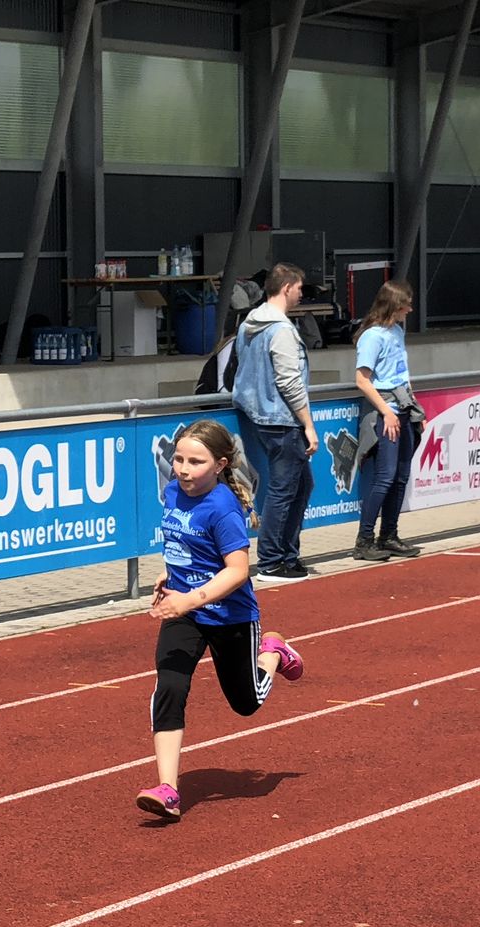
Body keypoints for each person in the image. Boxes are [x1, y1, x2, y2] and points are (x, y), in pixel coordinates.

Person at [135, 419, 304, 823]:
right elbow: (181, 541)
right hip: (185, 613)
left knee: (246, 703)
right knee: (170, 686)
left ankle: (273, 652)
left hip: (230, 616)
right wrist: (170, 572)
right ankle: (168, 789)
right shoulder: (173, 491)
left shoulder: (223, 508)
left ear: (220, 465)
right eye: (178, 459)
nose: (183, 469)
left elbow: (238, 571)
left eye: (195, 462)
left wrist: (190, 597)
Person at [231, 263, 320, 583]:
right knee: (284, 490)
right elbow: (289, 382)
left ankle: (286, 554)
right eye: (299, 288)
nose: (301, 294)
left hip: (258, 414)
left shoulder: (248, 324)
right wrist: (308, 424)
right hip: (281, 419)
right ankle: (272, 560)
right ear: (286, 288)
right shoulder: (281, 330)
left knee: (300, 485)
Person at [351, 279, 423, 563]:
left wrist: (415, 408)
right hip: (387, 412)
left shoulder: (396, 331)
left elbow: (403, 374)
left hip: (403, 409)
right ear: (394, 305)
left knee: (401, 476)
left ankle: (389, 535)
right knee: (385, 476)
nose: (410, 309)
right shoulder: (373, 336)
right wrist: (386, 412)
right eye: (406, 304)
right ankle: (364, 540)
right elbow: (362, 380)